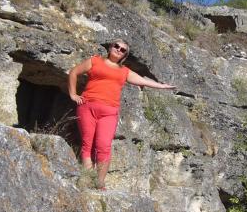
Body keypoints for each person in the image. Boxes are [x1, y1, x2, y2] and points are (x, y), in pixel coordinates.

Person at [68, 39, 175, 189]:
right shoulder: (95, 61)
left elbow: (142, 81)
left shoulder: (124, 71)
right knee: (87, 144)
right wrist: (73, 94)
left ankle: (99, 182)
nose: (118, 50)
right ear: (111, 47)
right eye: (116, 46)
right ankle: (87, 177)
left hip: (109, 112)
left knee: (104, 146)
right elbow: (74, 72)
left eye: (123, 49)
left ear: (125, 55)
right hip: (87, 107)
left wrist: (162, 86)